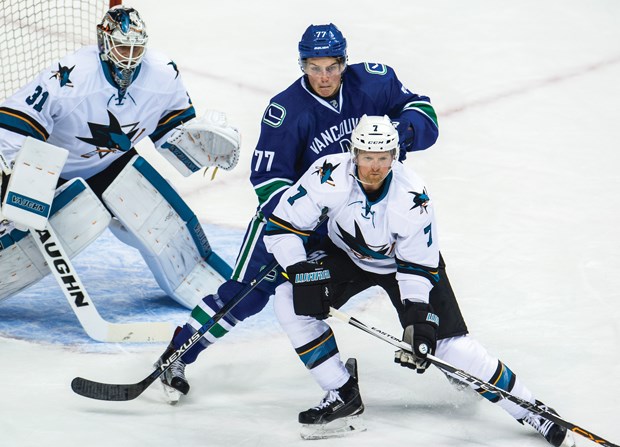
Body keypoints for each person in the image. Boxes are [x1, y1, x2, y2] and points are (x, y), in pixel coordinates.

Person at [153, 23, 440, 400]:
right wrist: (296, 227)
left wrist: (400, 133)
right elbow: (268, 181)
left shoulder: (373, 82)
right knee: (246, 296)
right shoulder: (286, 111)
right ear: (302, 64)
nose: (324, 77)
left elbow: (424, 112)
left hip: (350, 221)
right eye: (314, 67)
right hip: (294, 220)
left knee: (371, 287)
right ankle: (178, 353)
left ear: (344, 62)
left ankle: (421, 357)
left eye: (332, 67)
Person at [264, 115, 576, 446]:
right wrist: (300, 271)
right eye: (367, 157)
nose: (374, 166)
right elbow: (282, 227)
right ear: (353, 153)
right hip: (347, 257)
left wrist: (419, 318)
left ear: (394, 156)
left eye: (383, 158)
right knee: (287, 300)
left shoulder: (411, 197)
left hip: (406, 268)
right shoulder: (327, 174)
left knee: (454, 350)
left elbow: (416, 267)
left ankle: (531, 410)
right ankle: (341, 390)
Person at [0, 6, 240, 309]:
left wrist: (203, 144)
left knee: (165, 225)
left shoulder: (164, 74)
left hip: (113, 165)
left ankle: (212, 289)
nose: (129, 56)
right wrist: (14, 174)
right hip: (55, 171)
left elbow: (172, 132)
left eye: (136, 48)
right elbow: (15, 122)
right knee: (30, 242)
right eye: (122, 46)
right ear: (104, 42)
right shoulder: (69, 76)